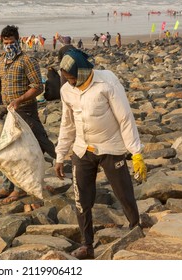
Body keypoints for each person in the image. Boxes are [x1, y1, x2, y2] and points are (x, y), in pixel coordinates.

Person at [55, 49, 147, 259]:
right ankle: (87, 245)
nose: (69, 82)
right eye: (66, 78)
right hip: (82, 149)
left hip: (110, 148)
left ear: (82, 72)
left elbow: (125, 118)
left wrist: (136, 153)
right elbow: (67, 123)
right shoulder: (67, 91)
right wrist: (60, 155)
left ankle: (135, 229)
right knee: (82, 200)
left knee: (124, 193)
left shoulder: (107, 82)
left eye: (71, 78)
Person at [0, 25, 56, 204]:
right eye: (6, 43)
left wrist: (20, 100)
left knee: (33, 146)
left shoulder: (27, 61)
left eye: (12, 42)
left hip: (25, 111)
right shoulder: (0, 62)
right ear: (2, 42)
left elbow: (38, 86)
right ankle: (8, 186)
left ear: (18, 41)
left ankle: (20, 188)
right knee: (5, 149)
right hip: (6, 112)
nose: (9, 46)